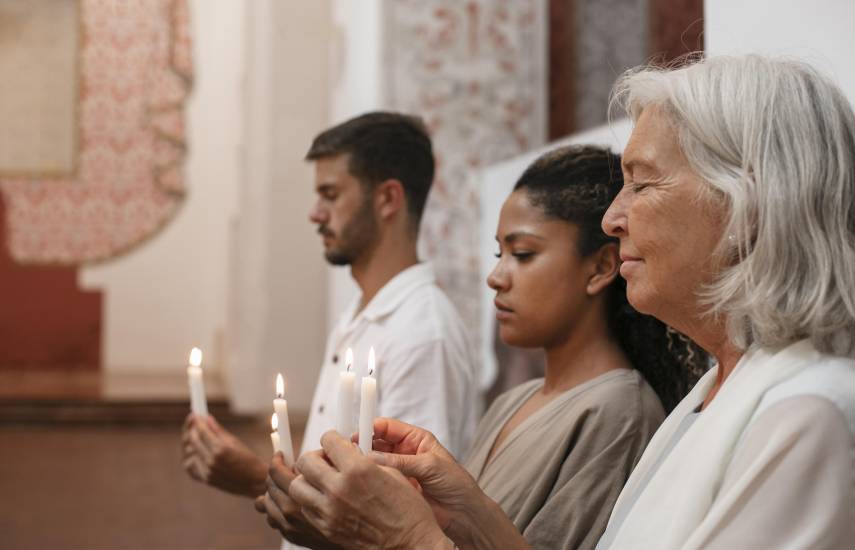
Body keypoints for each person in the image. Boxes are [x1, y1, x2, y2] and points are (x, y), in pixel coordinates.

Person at [253, 54, 855, 549]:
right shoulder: (713, 394)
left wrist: (408, 540)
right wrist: (466, 513)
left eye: (642, 184)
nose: (615, 219)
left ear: (746, 204)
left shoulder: (808, 414)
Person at [259, 145, 706, 548]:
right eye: (499, 255)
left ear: (601, 267)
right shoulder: (513, 402)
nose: (496, 277)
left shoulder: (618, 410)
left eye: (523, 254)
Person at [181, 112, 480, 547]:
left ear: (387, 199)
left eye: (330, 194)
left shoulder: (422, 333)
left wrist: (254, 476)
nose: (314, 214)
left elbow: (399, 515)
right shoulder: (361, 310)